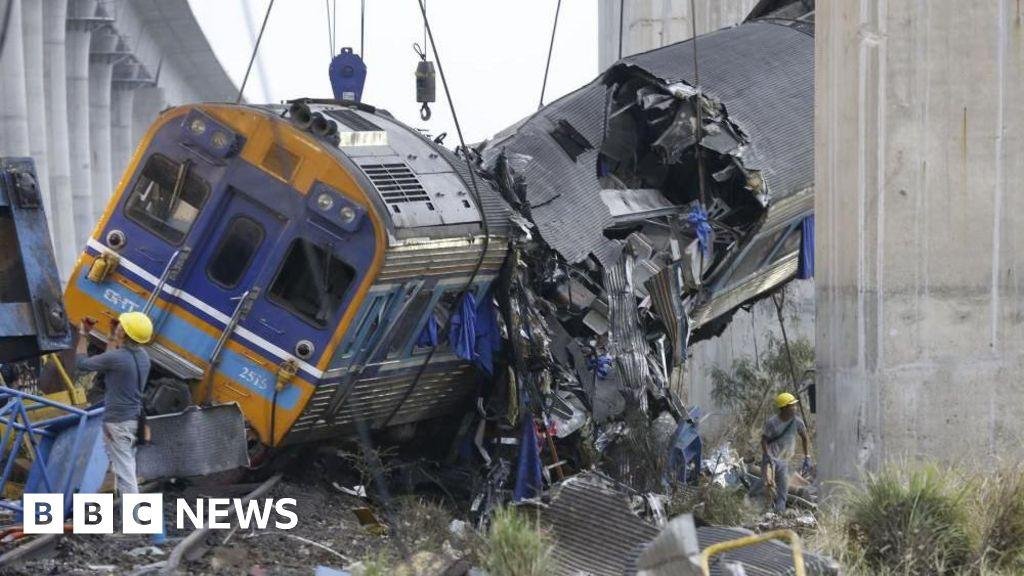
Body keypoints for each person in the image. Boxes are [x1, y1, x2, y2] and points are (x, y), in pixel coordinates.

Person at [76, 312, 153, 494]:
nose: (118, 324)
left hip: (118, 424)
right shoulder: (143, 357)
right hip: (134, 421)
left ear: (124, 333)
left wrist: (83, 334)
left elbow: (82, 364)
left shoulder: (118, 358)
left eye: (121, 325)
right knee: (124, 468)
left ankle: (134, 512)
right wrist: (112, 336)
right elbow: (111, 360)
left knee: (126, 475)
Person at [761, 391, 811, 512]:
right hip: (771, 461)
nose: (795, 408)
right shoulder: (772, 423)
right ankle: (765, 513)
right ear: (784, 408)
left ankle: (779, 514)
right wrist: (767, 456)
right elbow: (764, 441)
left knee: (782, 491)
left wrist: (807, 457)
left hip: (784, 462)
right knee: (768, 488)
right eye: (792, 405)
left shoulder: (797, 422)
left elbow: (805, 438)